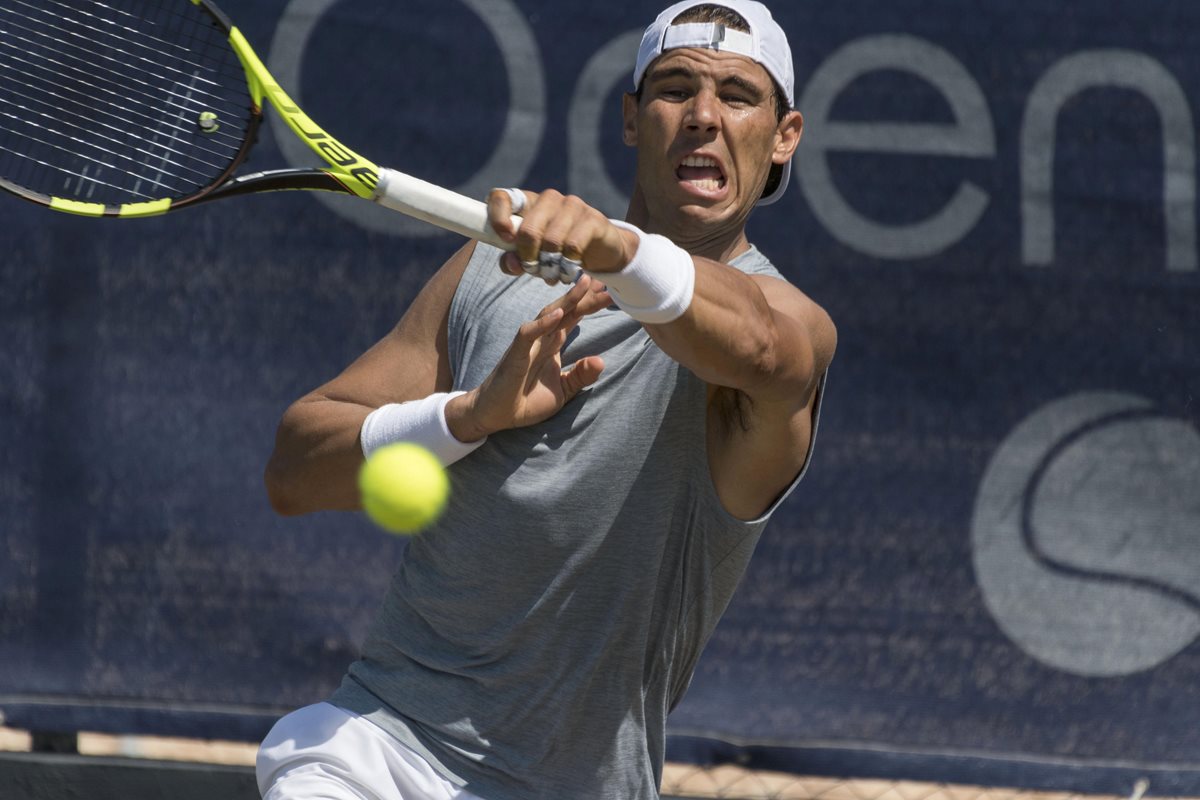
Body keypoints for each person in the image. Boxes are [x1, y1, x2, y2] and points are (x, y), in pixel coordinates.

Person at [256, 0, 836, 797]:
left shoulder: (789, 323)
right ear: (633, 119)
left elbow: (766, 348)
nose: (703, 115)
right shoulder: (495, 271)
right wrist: (467, 417)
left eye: (738, 96)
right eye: (674, 89)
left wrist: (619, 250)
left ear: (783, 136)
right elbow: (294, 469)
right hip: (383, 749)